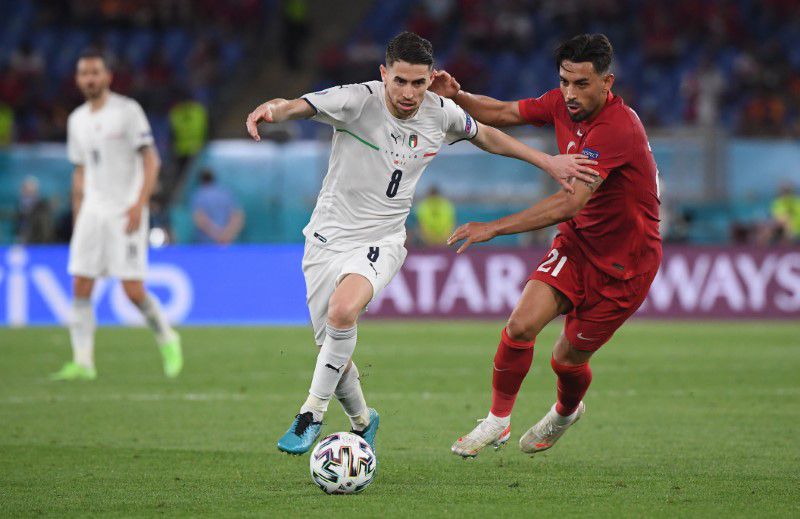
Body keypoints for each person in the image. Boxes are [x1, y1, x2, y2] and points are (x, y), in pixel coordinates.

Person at [245, 31, 600, 455]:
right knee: (331, 351)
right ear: (384, 74)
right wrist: (274, 110)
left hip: (382, 238)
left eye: (419, 83)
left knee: (342, 312)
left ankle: (311, 413)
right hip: (326, 238)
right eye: (400, 81)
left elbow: (487, 135)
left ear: (431, 79)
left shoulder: (441, 112)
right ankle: (363, 421)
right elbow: (298, 106)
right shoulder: (356, 100)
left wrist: (546, 161)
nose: (409, 93)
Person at [431, 33, 662, 457]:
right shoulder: (561, 104)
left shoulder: (617, 128)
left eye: (582, 84)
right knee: (520, 326)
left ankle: (565, 412)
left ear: (607, 82)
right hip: (578, 244)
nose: (570, 94)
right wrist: (458, 96)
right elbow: (502, 112)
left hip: (626, 265)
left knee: (566, 360)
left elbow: (571, 201)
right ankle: (498, 420)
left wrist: (494, 228)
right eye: (564, 81)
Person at [50, 49, 183, 381]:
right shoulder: (77, 120)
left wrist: (139, 204)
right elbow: (80, 171)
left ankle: (168, 337)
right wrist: (79, 215)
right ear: (78, 79)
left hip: (125, 210)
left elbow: (151, 161)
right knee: (81, 284)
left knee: (132, 291)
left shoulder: (127, 111)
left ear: (107, 76)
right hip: (92, 212)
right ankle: (83, 362)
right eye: (84, 74)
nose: (90, 79)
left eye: (95, 72)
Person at [191, 169, 245, 244]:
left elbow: (199, 218)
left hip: (206, 244)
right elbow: (237, 217)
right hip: (227, 242)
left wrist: (216, 235)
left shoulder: (199, 195)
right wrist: (227, 234)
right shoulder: (226, 193)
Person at [15, 176, 53, 244]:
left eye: (31, 192)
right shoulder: (20, 209)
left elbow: (45, 233)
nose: (28, 195)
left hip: (38, 245)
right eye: (26, 192)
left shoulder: (43, 210)